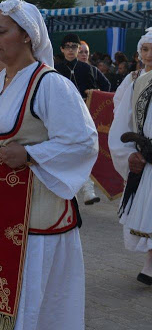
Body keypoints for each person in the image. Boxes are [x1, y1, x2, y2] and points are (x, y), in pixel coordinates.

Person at [0, 0, 97, 330]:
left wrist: (31, 154)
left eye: (1, 31)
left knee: (34, 301)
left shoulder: (51, 84)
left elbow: (83, 142)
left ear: (27, 35)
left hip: (34, 218)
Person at [108, 27, 152, 286]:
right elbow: (122, 118)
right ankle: (149, 264)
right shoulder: (136, 80)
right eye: (146, 49)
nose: (150, 55)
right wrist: (128, 154)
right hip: (146, 156)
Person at [55, 34, 109, 205]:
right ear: (62, 49)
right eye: (68, 46)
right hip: (62, 118)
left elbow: (106, 87)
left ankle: (88, 190)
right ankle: (69, 192)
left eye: (74, 46)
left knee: (87, 150)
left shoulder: (89, 69)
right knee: (65, 153)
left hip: (86, 117)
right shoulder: (54, 70)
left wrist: (94, 94)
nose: (71, 50)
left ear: (78, 49)